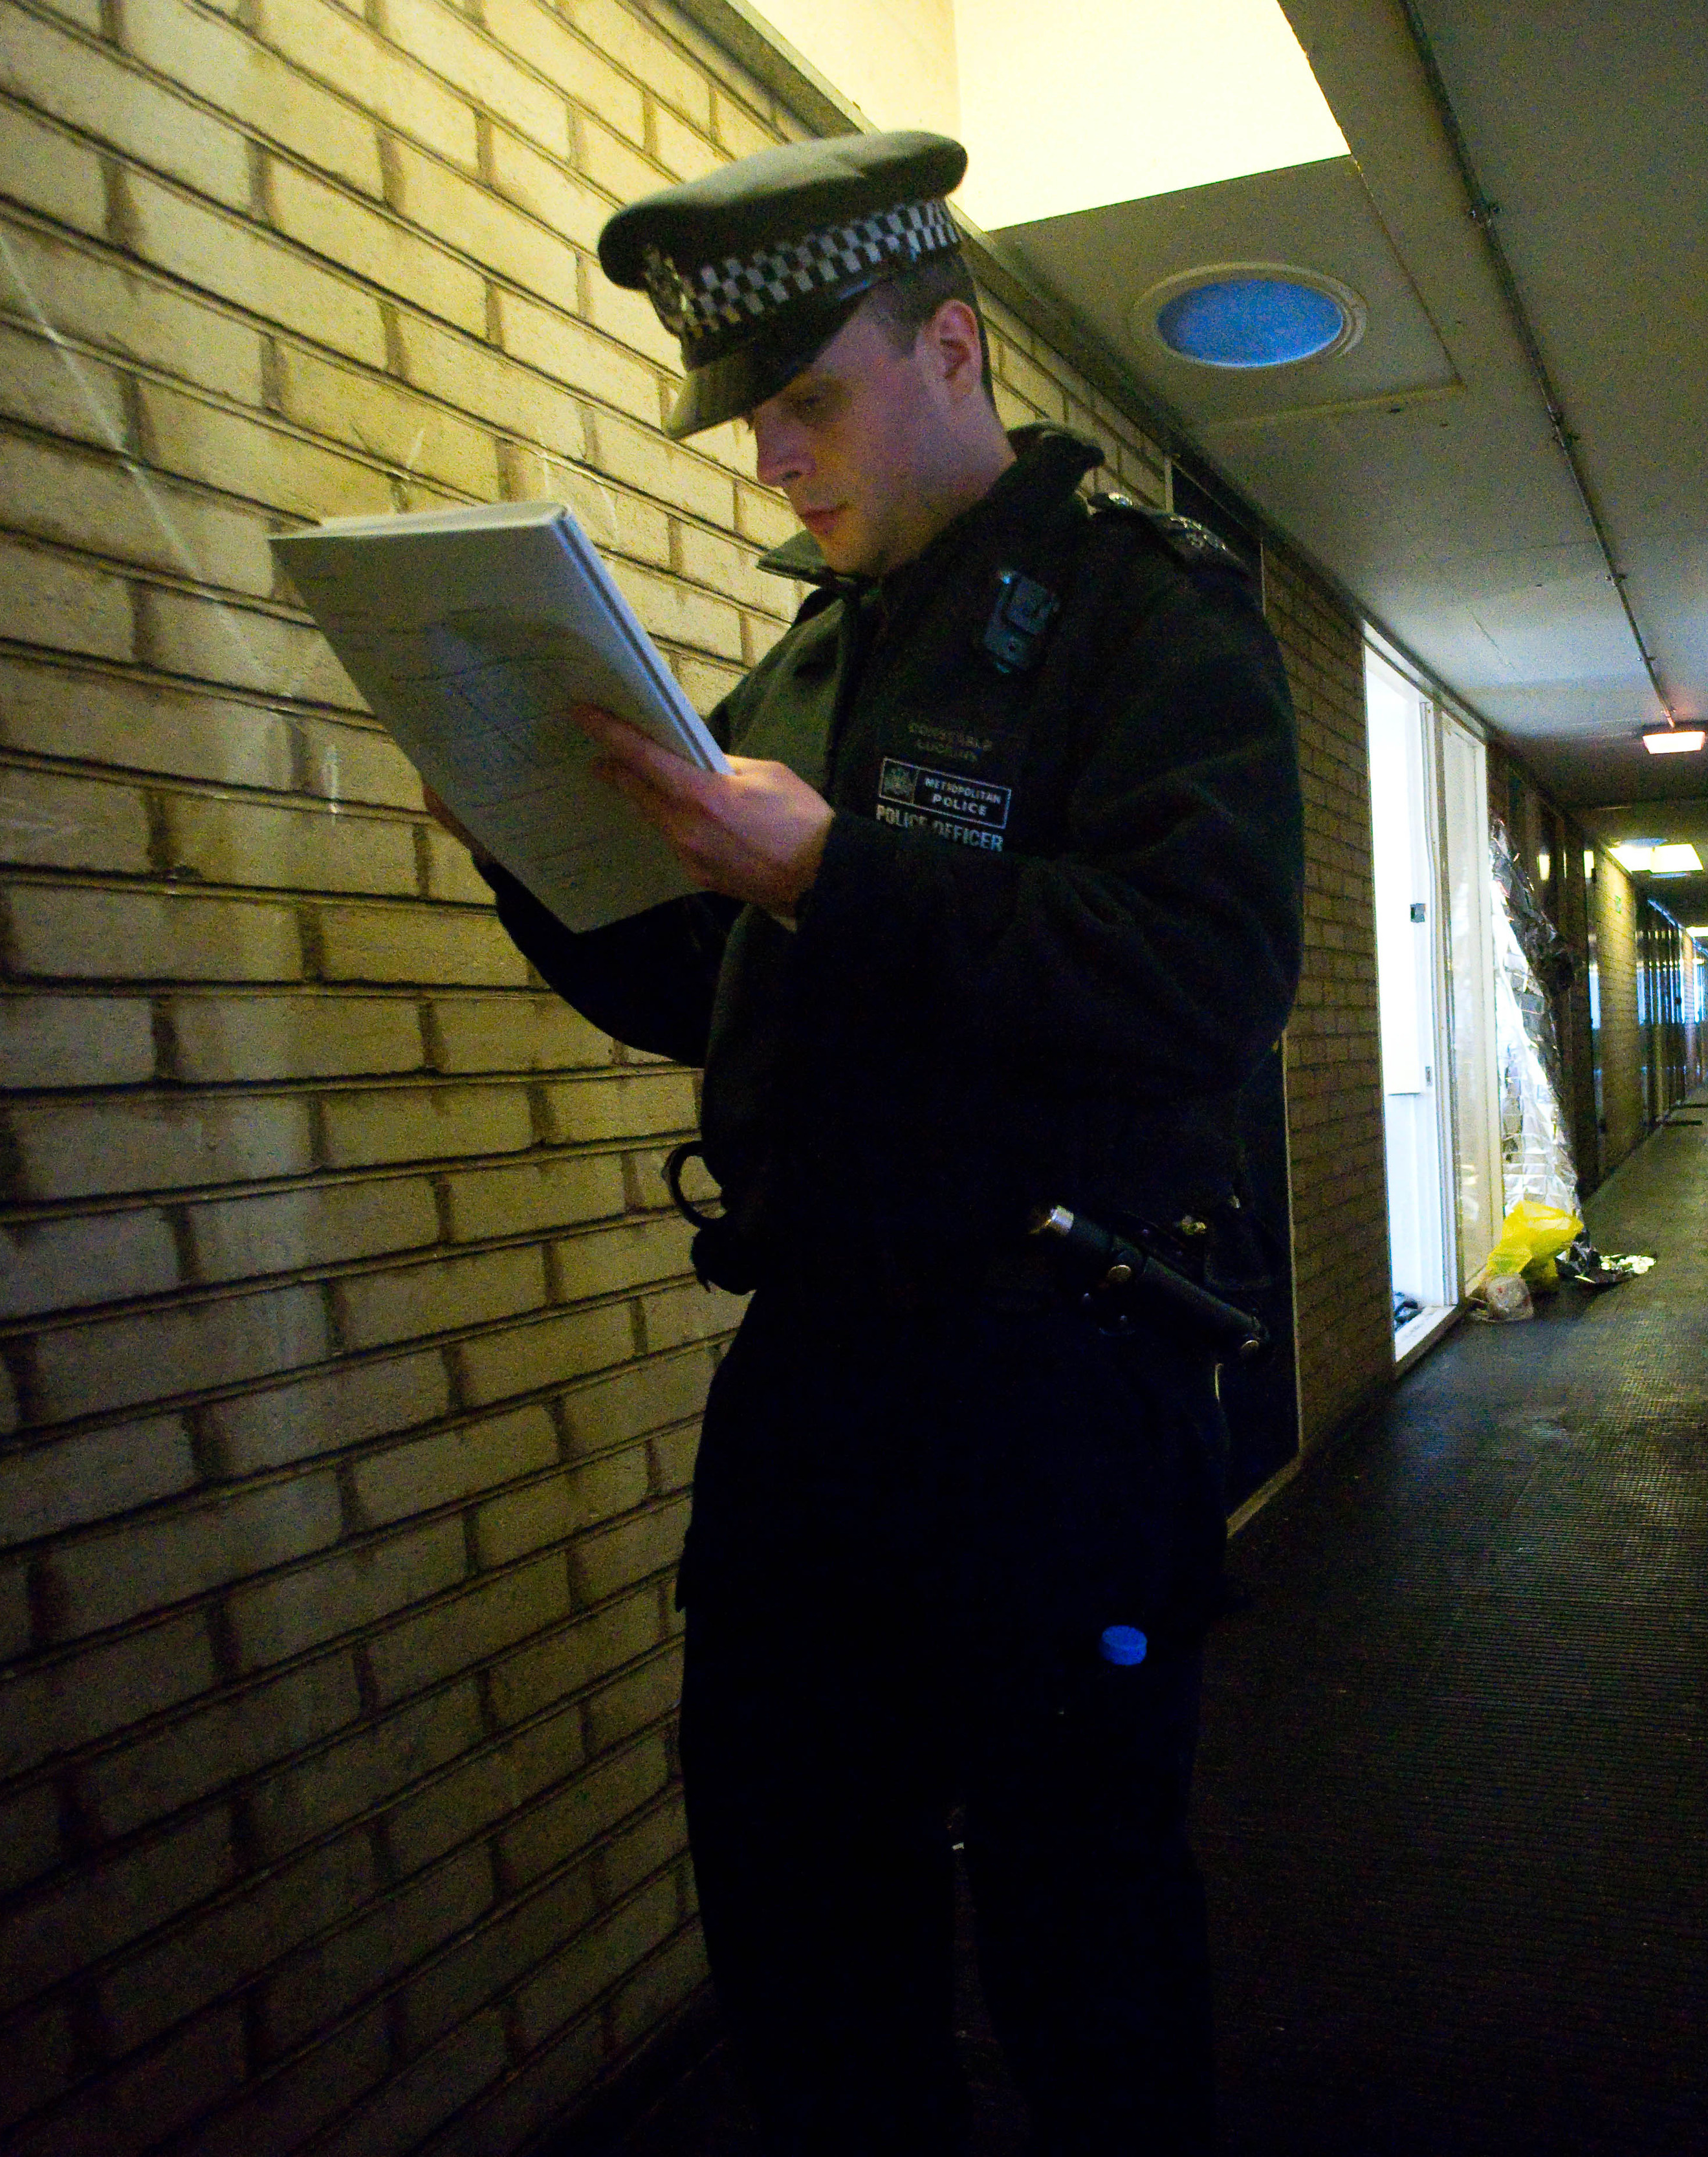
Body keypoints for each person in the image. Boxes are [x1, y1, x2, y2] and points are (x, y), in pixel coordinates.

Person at [427, 131, 1303, 2153]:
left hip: (1065, 1391)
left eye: (808, 401)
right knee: (801, 1917)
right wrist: (534, 853)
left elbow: (1204, 979)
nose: (771, 460)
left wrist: (837, 875)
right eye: (749, 420)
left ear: (953, 349)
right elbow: (706, 998)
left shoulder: (1142, 616)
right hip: (821, 1379)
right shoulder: (808, 660)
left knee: (1084, 1917)